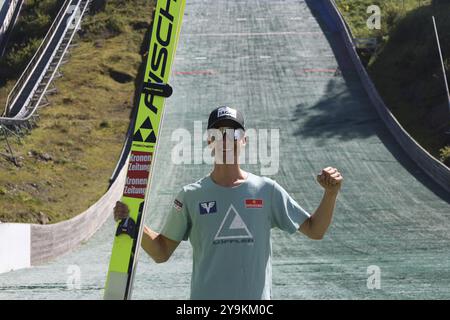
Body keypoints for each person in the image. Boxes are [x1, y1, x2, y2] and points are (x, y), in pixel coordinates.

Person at [114, 106, 343, 300]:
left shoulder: (267, 190)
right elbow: (161, 252)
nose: (226, 139)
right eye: (218, 132)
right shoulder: (190, 195)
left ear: (244, 140)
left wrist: (330, 194)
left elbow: (315, 230)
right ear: (209, 140)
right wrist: (133, 224)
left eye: (234, 134)